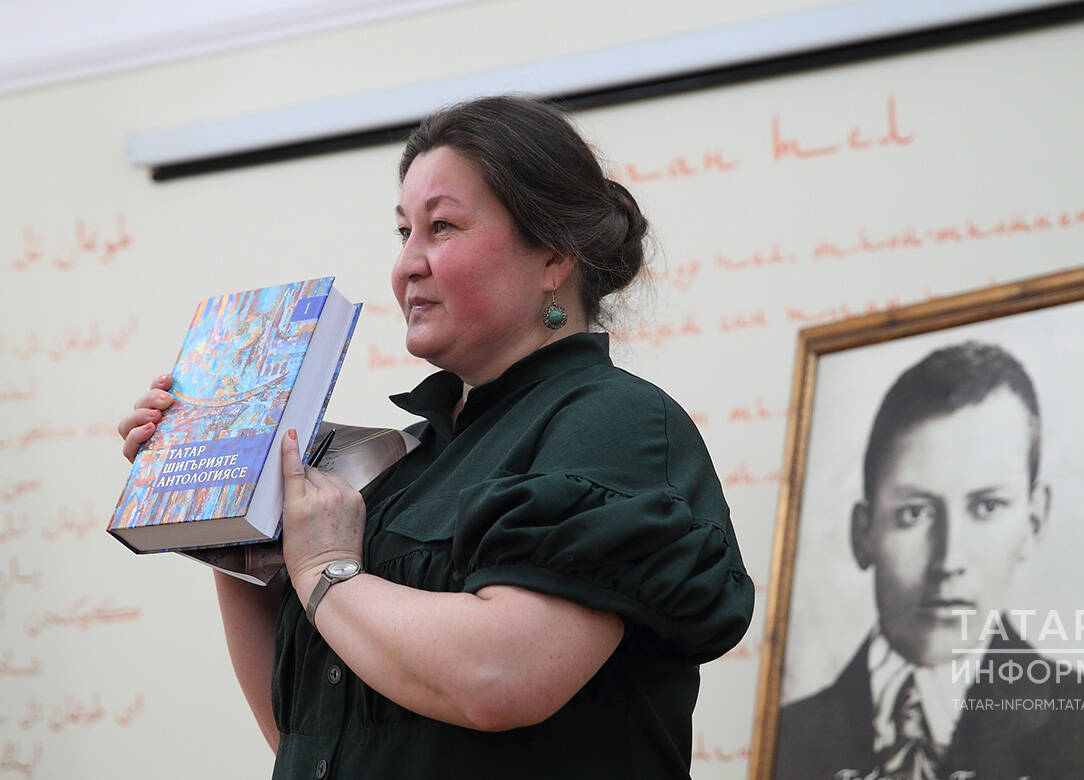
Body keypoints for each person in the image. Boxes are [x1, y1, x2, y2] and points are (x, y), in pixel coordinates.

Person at [117, 95, 753, 779]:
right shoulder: (400, 459)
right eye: (403, 232)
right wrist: (229, 506)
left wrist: (326, 568)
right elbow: (303, 733)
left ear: (553, 256)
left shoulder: (616, 421)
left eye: (441, 226)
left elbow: (500, 676)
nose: (406, 266)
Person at [774, 341, 1084, 779]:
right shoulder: (786, 735)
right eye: (914, 513)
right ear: (863, 533)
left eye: (986, 507)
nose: (948, 560)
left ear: (1033, 521)